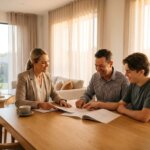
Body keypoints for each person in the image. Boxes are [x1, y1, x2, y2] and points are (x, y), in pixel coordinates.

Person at [85, 52, 150, 122]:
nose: (125, 75)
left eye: (128, 71)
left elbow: (144, 116)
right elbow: (119, 105)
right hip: (136, 124)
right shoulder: (133, 84)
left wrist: (124, 110)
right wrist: (98, 104)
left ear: (141, 72)